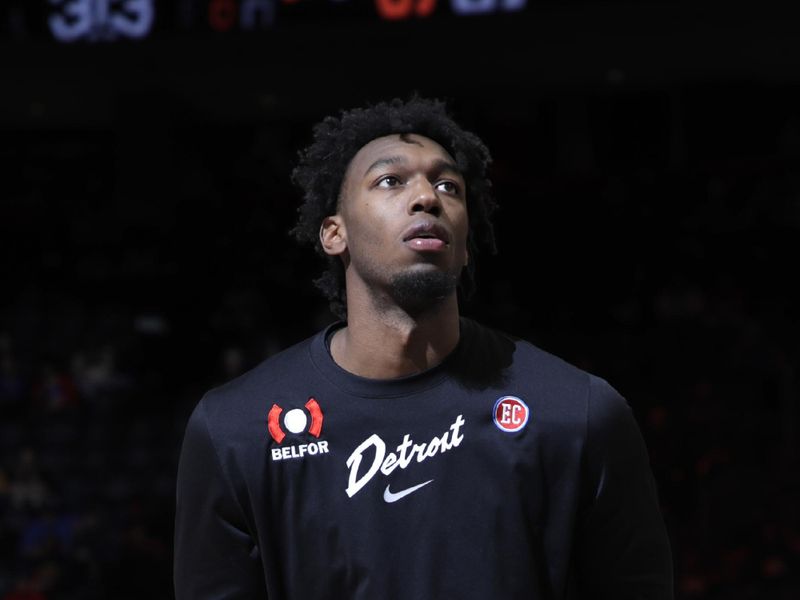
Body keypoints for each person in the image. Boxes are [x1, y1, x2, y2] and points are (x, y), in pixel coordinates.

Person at [174, 96, 674, 599]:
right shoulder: (235, 429)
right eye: (391, 181)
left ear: (464, 237)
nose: (427, 198)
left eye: (447, 186)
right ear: (334, 232)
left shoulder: (579, 413)